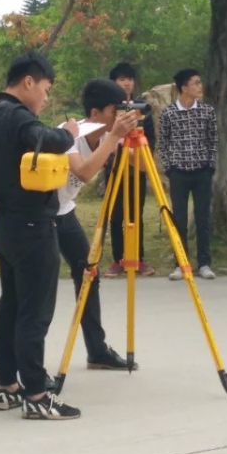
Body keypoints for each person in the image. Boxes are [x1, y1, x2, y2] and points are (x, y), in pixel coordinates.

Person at [0, 51, 81, 420]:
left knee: (11, 307)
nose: (46, 97)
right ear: (28, 82)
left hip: (6, 223)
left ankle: (8, 386)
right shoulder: (18, 116)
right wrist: (68, 134)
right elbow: (42, 138)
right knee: (34, 313)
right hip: (30, 227)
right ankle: (37, 394)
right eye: (45, 88)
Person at [56, 79, 139, 368]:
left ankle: (97, 351)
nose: (119, 116)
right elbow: (84, 172)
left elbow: (144, 165)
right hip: (42, 214)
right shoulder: (67, 134)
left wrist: (134, 138)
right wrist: (114, 137)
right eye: (115, 111)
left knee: (88, 274)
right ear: (95, 113)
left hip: (65, 211)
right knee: (39, 287)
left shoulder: (107, 136)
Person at [158, 68, 217, 280]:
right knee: (179, 221)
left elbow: (213, 140)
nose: (200, 87)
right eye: (196, 83)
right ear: (184, 87)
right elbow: (163, 143)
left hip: (202, 172)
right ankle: (181, 263)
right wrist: (169, 167)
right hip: (178, 173)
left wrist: (210, 166)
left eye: (200, 83)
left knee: (203, 219)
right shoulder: (168, 113)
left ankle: (204, 263)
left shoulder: (207, 111)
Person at [104, 62, 156, 277]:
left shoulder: (142, 108)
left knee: (136, 216)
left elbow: (150, 139)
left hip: (137, 170)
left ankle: (138, 258)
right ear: (114, 82)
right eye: (122, 79)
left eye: (130, 79)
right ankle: (118, 259)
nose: (126, 83)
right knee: (116, 216)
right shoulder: (108, 109)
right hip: (115, 169)